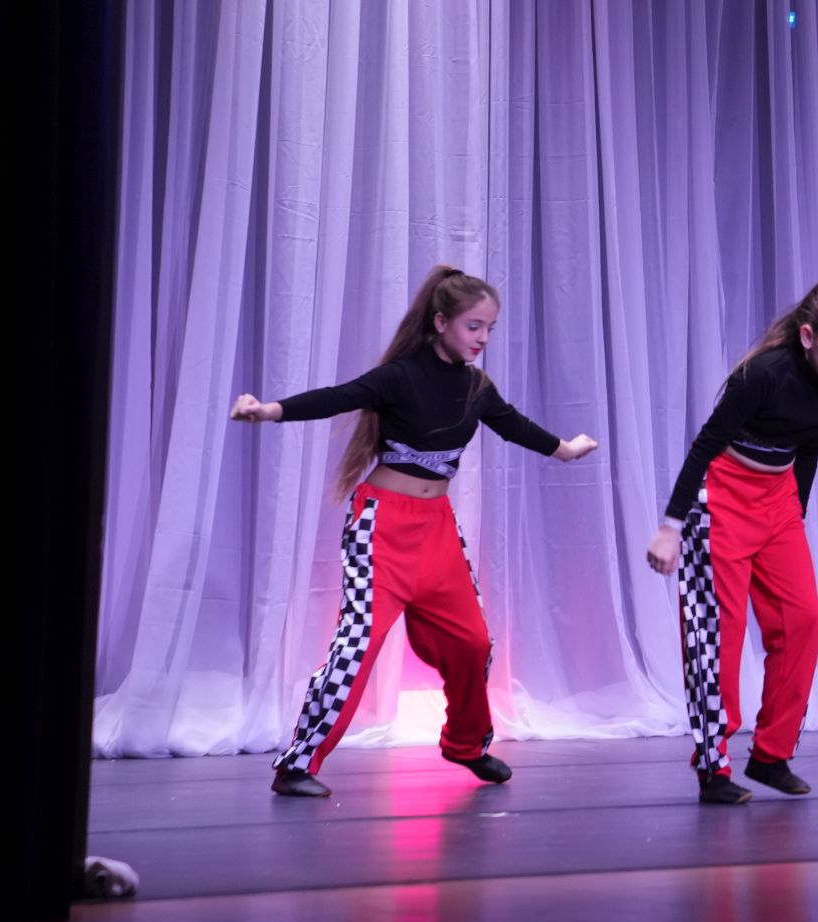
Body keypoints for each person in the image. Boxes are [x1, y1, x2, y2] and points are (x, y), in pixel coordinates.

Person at [229, 266, 598, 797]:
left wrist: (564, 449)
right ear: (441, 322)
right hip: (382, 527)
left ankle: (467, 745)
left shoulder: (475, 387)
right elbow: (337, 396)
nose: (483, 338)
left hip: (437, 529)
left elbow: (512, 423)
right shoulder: (399, 377)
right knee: (357, 645)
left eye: (490, 328)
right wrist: (269, 411)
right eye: (474, 326)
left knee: (473, 642)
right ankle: (298, 764)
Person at [646, 278, 818, 805]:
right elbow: (706, 444)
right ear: (809, 336)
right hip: (721, 499)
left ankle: (771, 754)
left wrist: (796, 518)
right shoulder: (762, 375)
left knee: (803, 619)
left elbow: (808, 451)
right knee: (718, 633)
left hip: (778, 503)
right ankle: (714, 766)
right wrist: (671, 526)